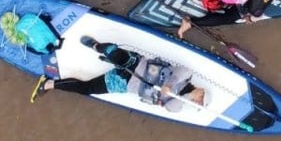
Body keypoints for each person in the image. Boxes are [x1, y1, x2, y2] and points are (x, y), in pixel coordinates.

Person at [35, 37, 208, 110]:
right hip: (139, 66)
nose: (198, 99)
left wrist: (186, 97)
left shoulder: (177, 104)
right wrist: (169, 84)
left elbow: (173, 108)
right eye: (201, 96)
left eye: (198, 102)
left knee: (88, 88)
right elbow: (181, 71)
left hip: (123, 83)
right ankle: (99, 47)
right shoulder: (186, 76)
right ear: (200, 89)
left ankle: (50, 84)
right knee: (122, 57)